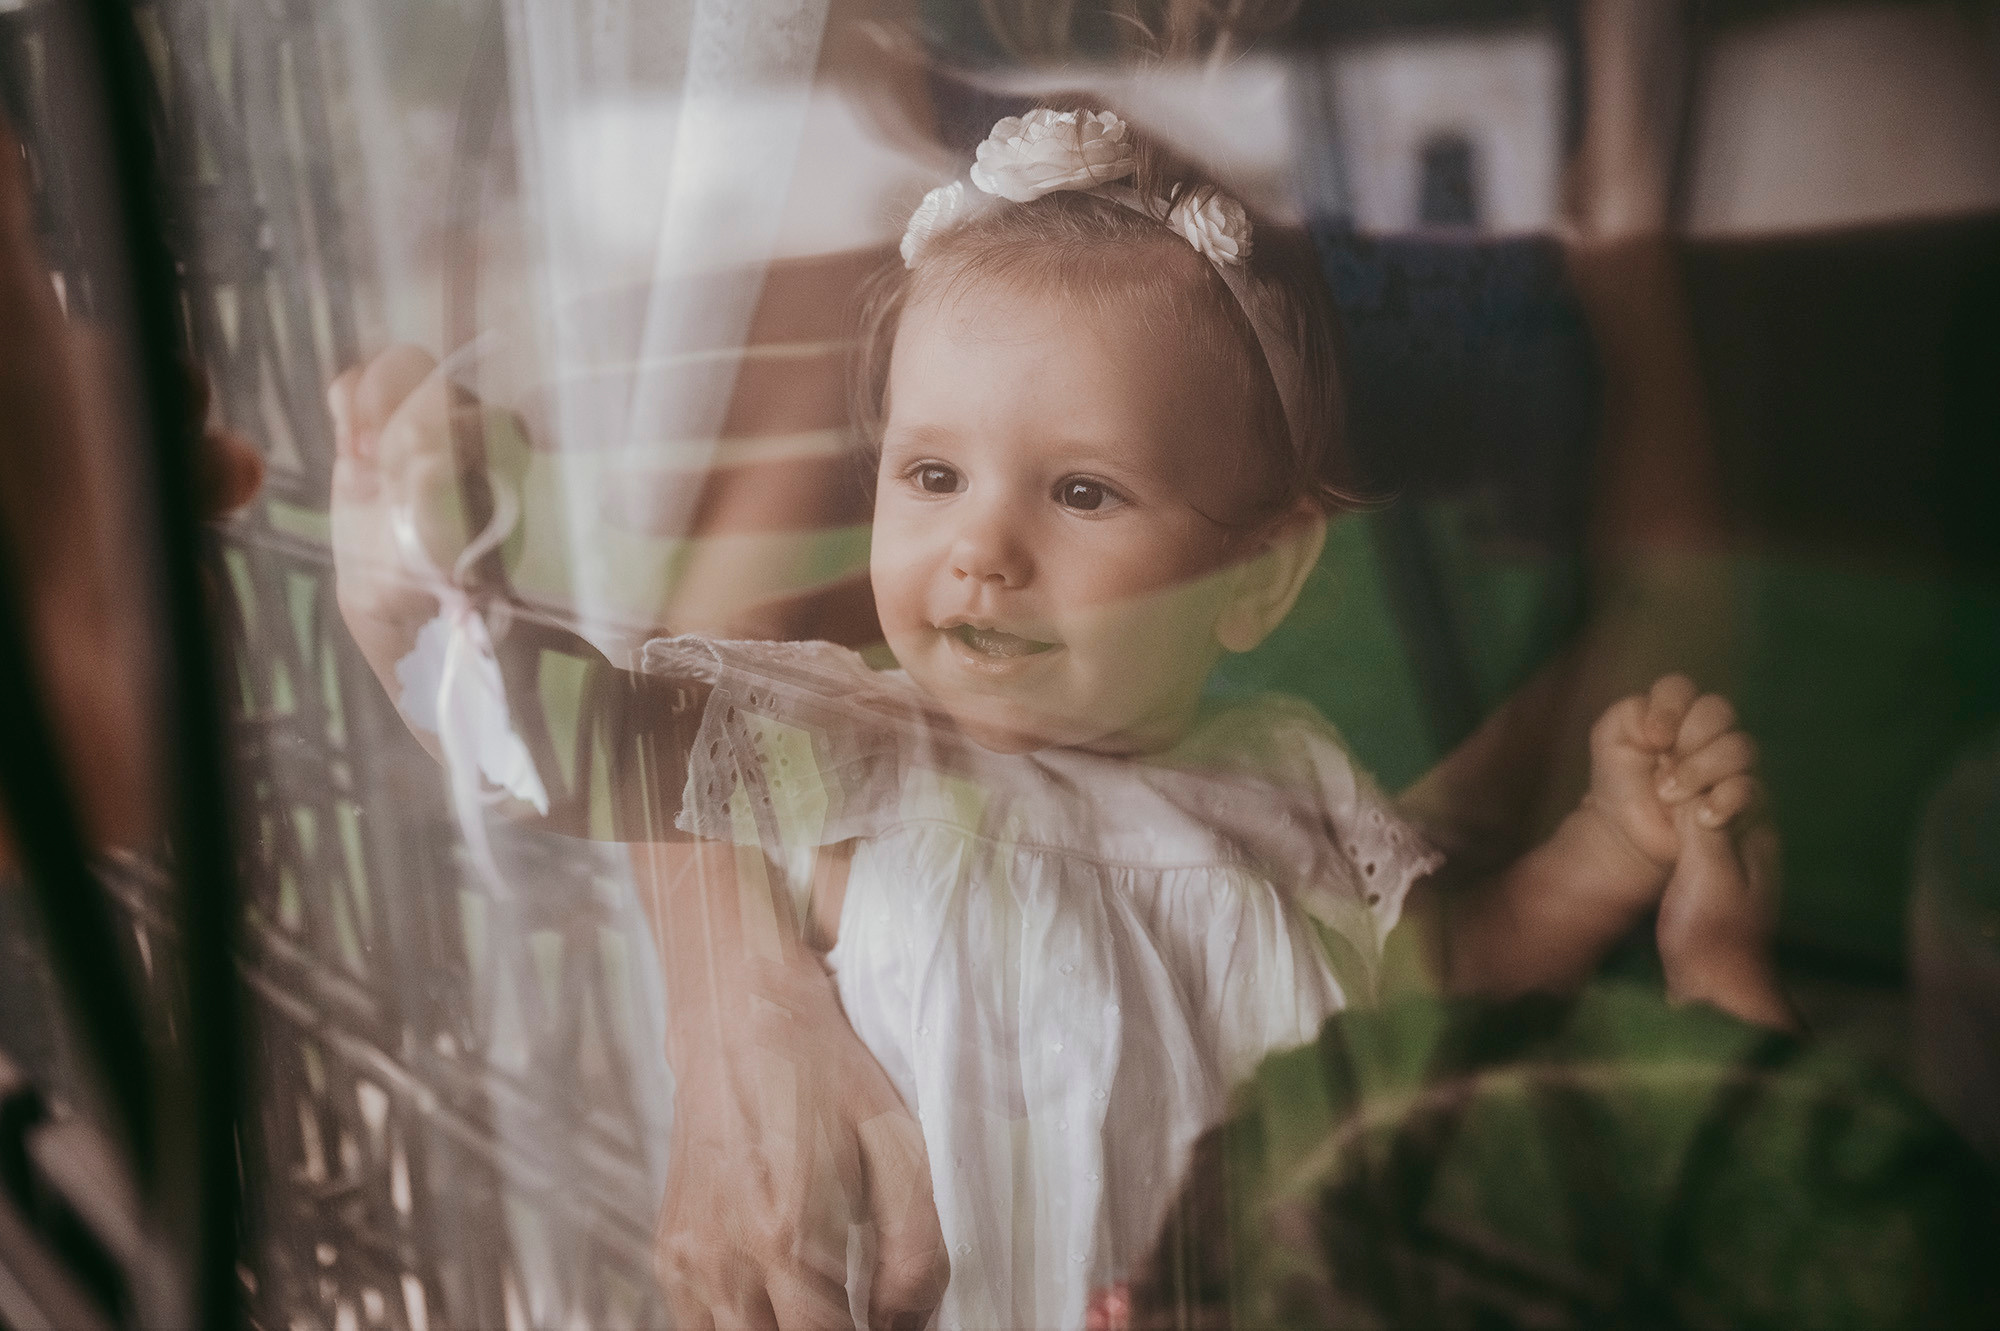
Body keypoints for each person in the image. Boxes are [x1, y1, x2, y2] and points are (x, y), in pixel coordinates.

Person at [329, 106, 1787, 1330]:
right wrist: (430, 582)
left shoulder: (1295, 791)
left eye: (1081, 491)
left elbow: (1443, 984)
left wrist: (1605, 851)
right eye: (932, 476)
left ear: (1256, 573)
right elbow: (551, 742)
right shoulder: (843, 754)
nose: (983, 550)